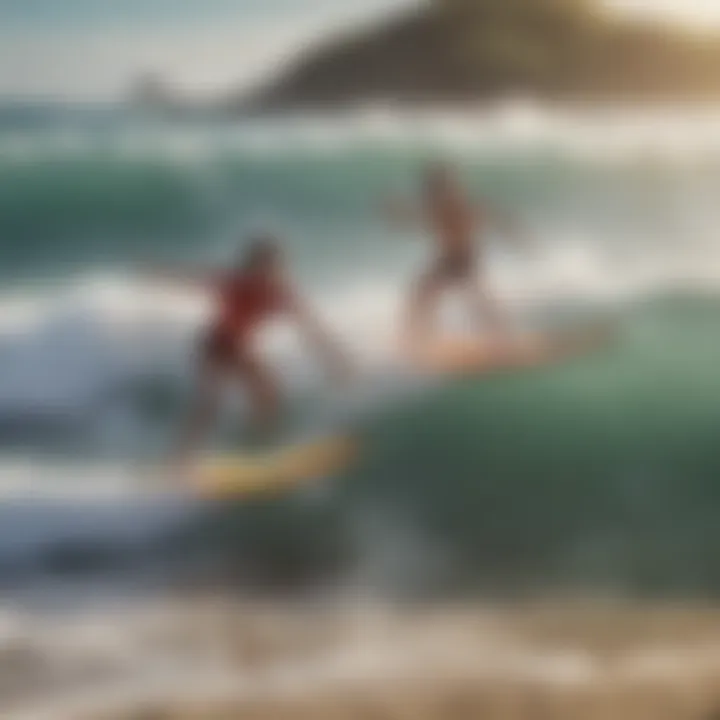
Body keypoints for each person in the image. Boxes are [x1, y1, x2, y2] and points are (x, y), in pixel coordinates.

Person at [150, 235, 350, 472]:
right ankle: (177, 462)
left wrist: (334, 360)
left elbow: (311, 329)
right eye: (262, 266)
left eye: (274, 267)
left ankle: (258, 451)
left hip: (241, 349)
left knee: (270, 398)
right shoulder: (233, 281)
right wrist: (158, 272)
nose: (267, 273)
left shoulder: (281, 293)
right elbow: (190, 277)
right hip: (214, 345)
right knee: (210, 404)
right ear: (251, 265)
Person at [386, 162, 524, 351]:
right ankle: (418, 337)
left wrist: (514, 235)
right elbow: (420, 219)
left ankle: (504, 337)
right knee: (426, 293)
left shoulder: (451, 203)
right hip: (450, 258)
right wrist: (398, 214)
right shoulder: (438, 204)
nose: (427, 192)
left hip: (462, 257)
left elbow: (486, 215)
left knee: (470, 298)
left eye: (431, 187)